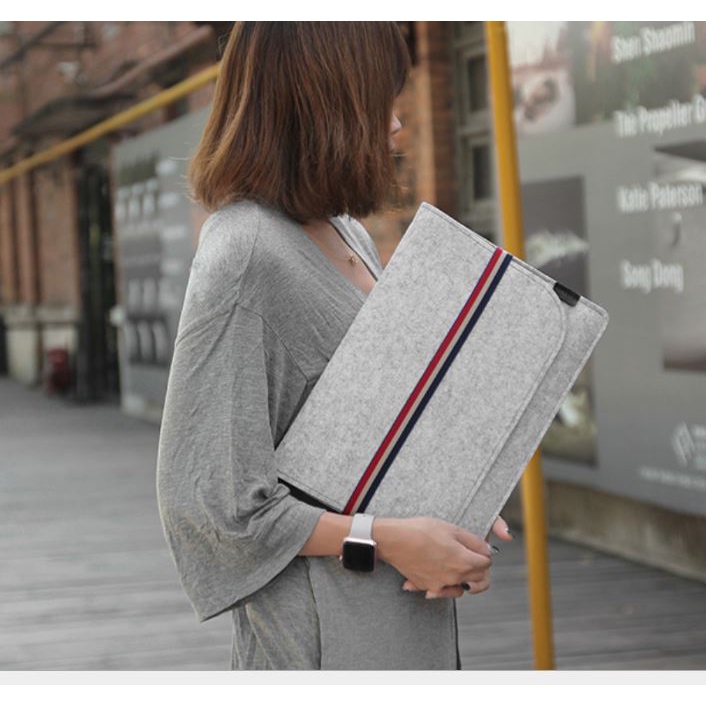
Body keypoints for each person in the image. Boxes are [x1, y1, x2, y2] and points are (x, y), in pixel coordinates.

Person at [156, 21, 513, 671]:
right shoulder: (245, 255)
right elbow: (212, 508)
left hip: (406, 618)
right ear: (324, 107)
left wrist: (448, 509)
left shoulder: (347, 232)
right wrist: (389, 539)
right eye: (380, 99)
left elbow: (355, 444)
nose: (397, 123)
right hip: (321, 644)